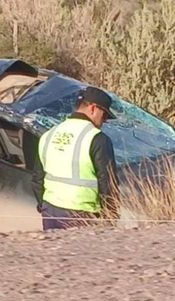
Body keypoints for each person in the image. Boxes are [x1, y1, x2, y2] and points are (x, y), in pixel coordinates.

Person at [32, 86, 120, 230]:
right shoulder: (97, 138)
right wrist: (111, 217)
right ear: (93, 108)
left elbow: (37, 178)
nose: (104, 122)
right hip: (83, 214)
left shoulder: (48, 135)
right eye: (104, 115)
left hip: (51, 212)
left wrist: (43, 206)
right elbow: (108, 183)